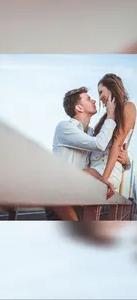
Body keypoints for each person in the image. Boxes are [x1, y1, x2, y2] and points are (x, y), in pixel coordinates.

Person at [46, 84, 131, 221]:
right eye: (88, 98)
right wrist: (110, 115)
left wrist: (126, 163)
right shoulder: (65, 127)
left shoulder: (92, 133)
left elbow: (103, 157)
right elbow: (100, 145)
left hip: (79, 194)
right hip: (60, 198)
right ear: (79, 108)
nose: (94, 100)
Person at [90, 73, 136, 192]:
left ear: (112, 88)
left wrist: (104, 179)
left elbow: (117, 144)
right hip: (95, 168)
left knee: (66, 182)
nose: (100, 97)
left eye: (101, 92)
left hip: (106, 171)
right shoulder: (108, 116)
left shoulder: (128, 107)